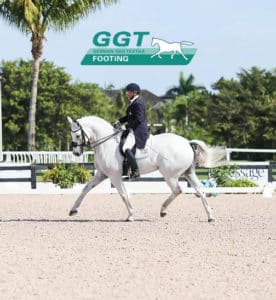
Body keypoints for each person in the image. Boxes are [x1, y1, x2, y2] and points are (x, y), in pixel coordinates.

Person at [114, 83, 149, 179]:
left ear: (134, 92)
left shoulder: (138, 103)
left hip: (138, 131)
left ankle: (135, 171)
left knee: (126, 148)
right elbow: (129, 117)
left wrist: (126, 126)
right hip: (133, 129)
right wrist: (119, 121)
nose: (126, 93)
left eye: (128, 92)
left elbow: (139, 119)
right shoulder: (133, 102)